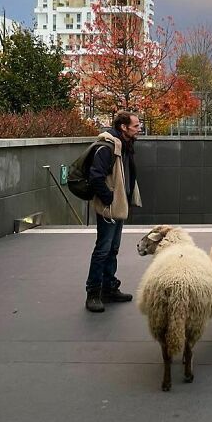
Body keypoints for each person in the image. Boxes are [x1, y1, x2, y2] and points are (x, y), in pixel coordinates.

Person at [85, 111, 142, 313]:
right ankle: (93, 293)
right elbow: (95, 177)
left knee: (113, 248)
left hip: (119, 204)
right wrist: (109, 199)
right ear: (123, 127)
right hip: (110, 206)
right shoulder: (107, 146)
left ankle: (109, 288)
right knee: (103, 249)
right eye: (135, 126)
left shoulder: (124, 145)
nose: (139, 128)